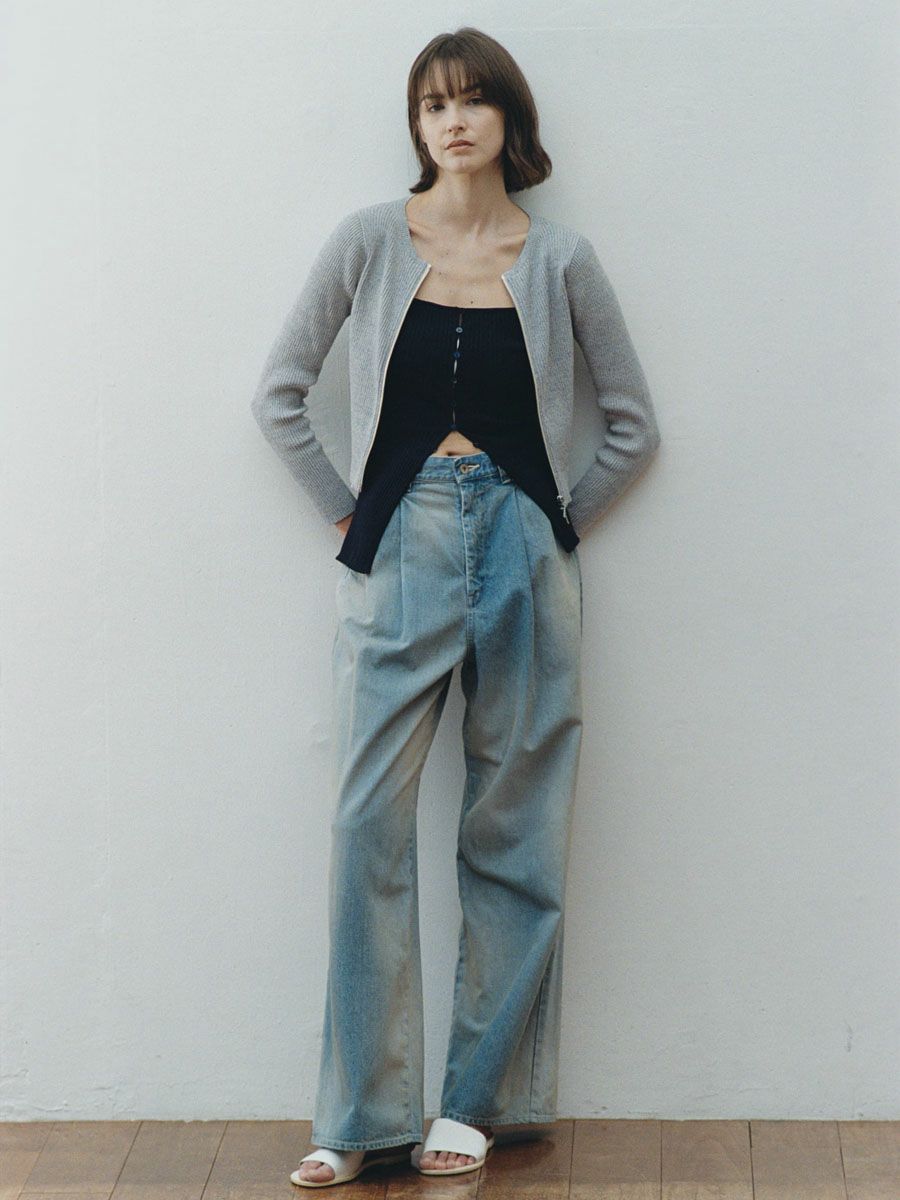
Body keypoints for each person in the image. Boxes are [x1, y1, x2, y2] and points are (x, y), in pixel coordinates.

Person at [250, 26, 661, 1190]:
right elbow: (279, 395)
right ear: (417, 124)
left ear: (507, 118)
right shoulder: (368, 241)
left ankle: (479, 1103)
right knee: (365, 826)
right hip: (398, 546)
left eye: (474, 100)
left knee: (514, 825)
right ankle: (360, 1117)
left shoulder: (562, 257)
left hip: (526, 546)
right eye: (434, 104)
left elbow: (634, 424)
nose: (454, 120)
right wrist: (351, 512)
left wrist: (555, 519)